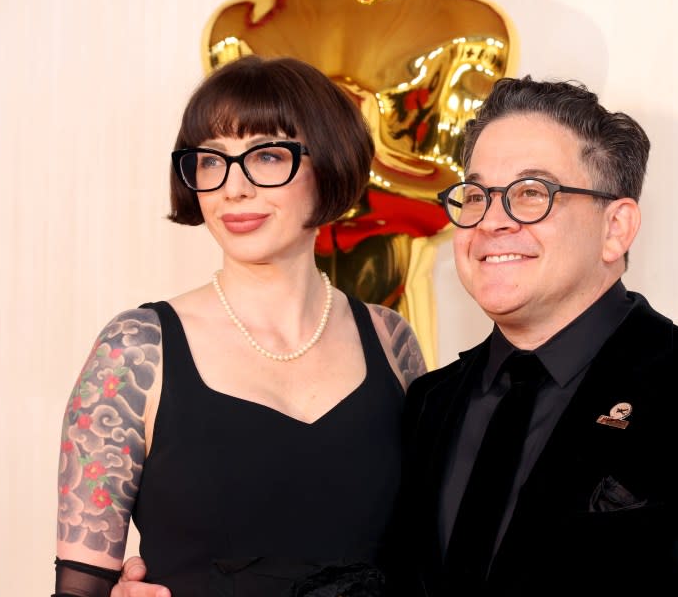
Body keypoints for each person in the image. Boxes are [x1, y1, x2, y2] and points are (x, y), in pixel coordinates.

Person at [382, 76, 678, 595]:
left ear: (616, 227)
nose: (491, 221)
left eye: (531, 193)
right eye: (477, 194)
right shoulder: (429, 404)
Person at [54, 54, 426, 597]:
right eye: (211, 160)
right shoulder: (135, 349)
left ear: (330, 164)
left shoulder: (392, 341)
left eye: (267, 156)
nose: (233, 188)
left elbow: (430, 554)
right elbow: (77, 589)